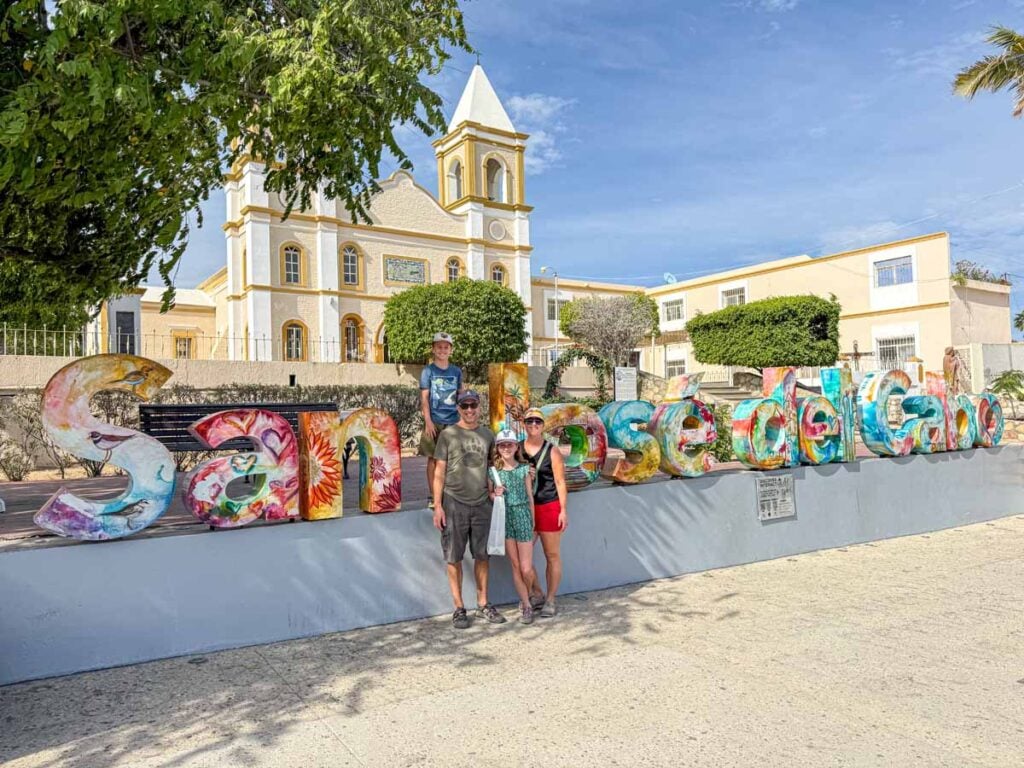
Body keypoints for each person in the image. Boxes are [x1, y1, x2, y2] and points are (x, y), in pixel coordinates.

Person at [433, 389, 506, 629]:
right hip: (454, 501)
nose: (470, 410)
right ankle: (458, 608)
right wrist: (438, 507)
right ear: (458, 408)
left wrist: (495, 489)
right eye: (465, 406)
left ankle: (483, 603)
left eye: (473, 405)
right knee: (453, 557)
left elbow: (492, 467)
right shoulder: (448, 435)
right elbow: (439, 472)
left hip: (482, 502)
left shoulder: (487, 435)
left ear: (479, 406)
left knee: (482, 555)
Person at [520, 407, 568, 618]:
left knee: (552, 555)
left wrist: (563, 510)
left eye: (537, 422)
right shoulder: (517, 449)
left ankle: (550, 599)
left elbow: (560, 481)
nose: (533, 425)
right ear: (524, 424)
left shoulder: (552, 451)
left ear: (543, 425)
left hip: (548, 505)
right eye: (529, 422)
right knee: (523, 560)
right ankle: (536, 591)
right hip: (524, 508)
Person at [490, 429, 537, 624]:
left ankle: (532, 592)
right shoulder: (493, 471)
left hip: (523, 516)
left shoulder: (524, 469)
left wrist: (534, 523)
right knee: (516, 565)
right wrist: (496, 494)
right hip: (505, 518)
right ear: (498, 448)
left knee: (526, 568)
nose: (506, 448)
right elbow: (490, 495)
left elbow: (529, 496)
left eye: (510, 444)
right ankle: (526, 604)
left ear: (517, 446)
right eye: (502, 445)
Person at [419, 332, 462, 508]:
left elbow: (461, 395)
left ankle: (448, 493)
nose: (442, 350)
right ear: (433, 349)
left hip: (452, 421)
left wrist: (463, 421)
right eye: (439, 347)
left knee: (452, 460)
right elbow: (424, 398)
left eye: (446, 347)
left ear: (450, 350)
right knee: (432, 458)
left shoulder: (456, 371)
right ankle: (432, 495)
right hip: (435, 420)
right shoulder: (428, 371)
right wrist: (428, 421)